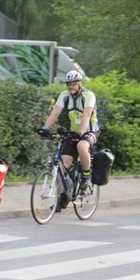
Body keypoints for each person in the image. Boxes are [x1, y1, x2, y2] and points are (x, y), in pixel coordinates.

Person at [39, 70, 100, 206]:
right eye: (68, 83)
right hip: (74, 132)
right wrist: (46, 128)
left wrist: (80, 134)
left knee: (81, 146)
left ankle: (86, 174)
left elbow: (86, 116)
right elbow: (55, 113)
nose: (70, 86)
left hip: (90, 131)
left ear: (80, 83)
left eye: (73, 83)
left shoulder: (88, 95)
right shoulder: (65, 95)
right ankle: (64, 196)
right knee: (62, 165)